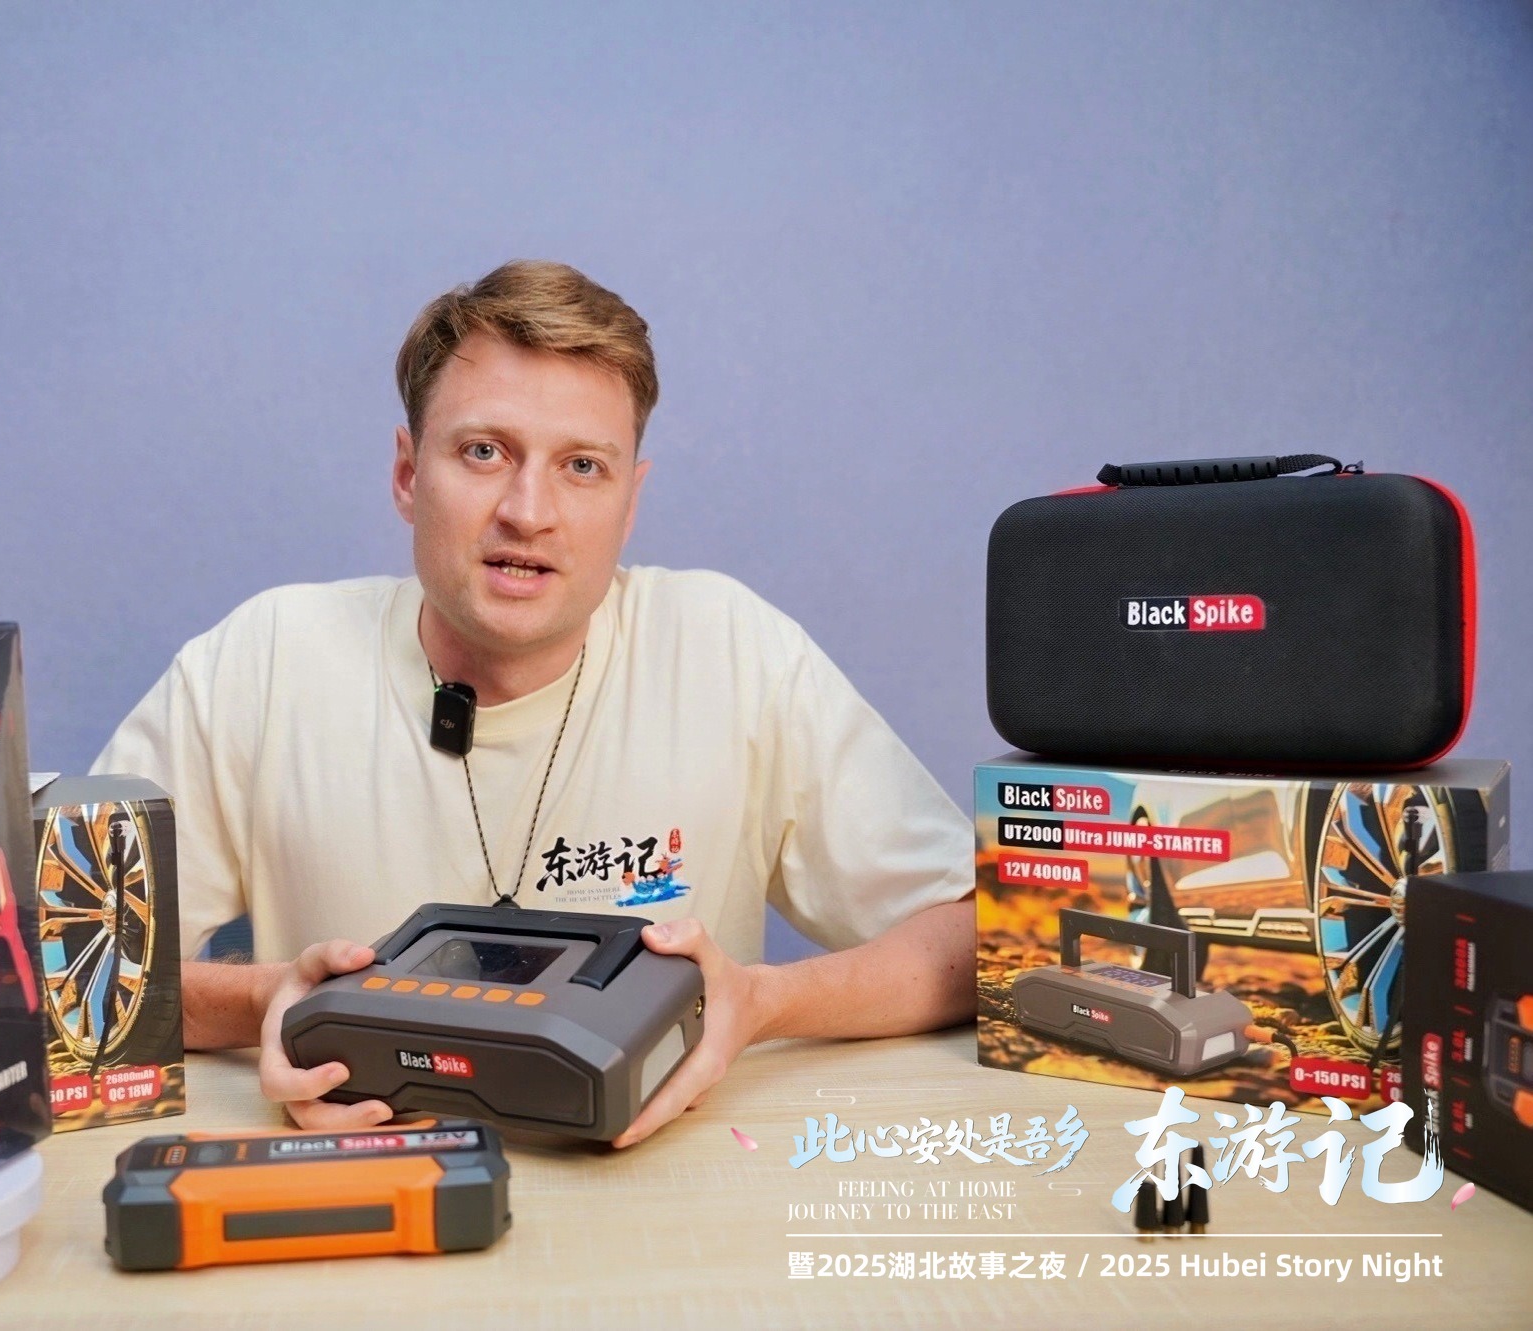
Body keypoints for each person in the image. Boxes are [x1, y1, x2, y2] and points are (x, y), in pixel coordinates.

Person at [93, 260, 975, 1146]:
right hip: (361, 1180)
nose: (528, 511)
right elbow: (64, 974)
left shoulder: (735, 651)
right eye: (484, 451)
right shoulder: (262, 660)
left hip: (668, 1195)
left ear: (630, 503)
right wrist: (266, 1000)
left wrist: (762, 1000)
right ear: (407, 474)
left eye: (582, 466)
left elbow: (989, 937)